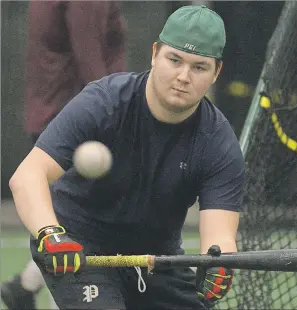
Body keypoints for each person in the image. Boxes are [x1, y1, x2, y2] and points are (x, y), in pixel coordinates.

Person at [8, 5, 244, 310]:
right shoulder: (104, 102)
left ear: (216, 73)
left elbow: (220, 237)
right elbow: (27, 176)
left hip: (156, 257)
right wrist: (50, 233)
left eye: (199, 67)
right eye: (175, 60)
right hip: (79, 248)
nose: (183, 76)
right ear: (155, 53)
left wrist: (219, 264)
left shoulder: (219, 143)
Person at [1, 1, 126, 309]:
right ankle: (30, 288)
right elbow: (90, 58)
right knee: (83, 224)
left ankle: (25, 287)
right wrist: (119, 115)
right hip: (76, 121)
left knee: (79, 224)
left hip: (58, 115)